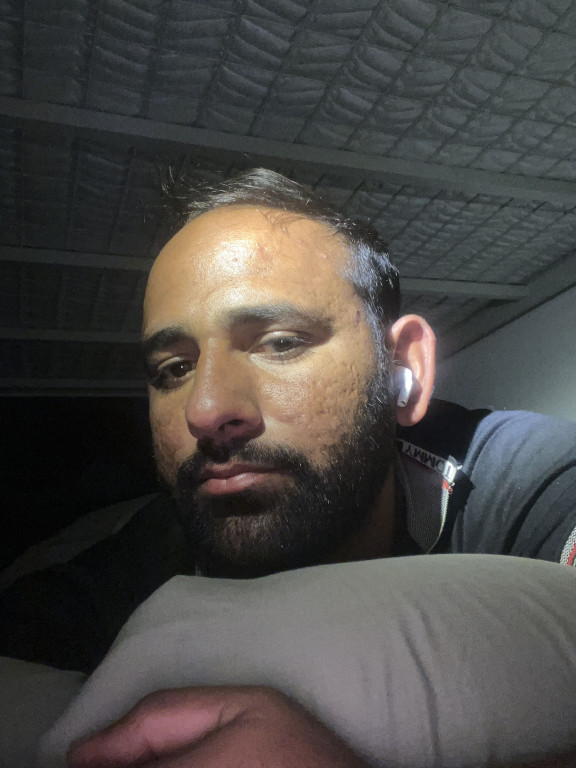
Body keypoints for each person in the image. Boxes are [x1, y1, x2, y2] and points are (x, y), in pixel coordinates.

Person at [3, 169, 576, 767]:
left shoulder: (526, 477)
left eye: (279, 342)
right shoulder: (150, 548)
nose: (205, 411)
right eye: (174, 369)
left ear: (403, 370)